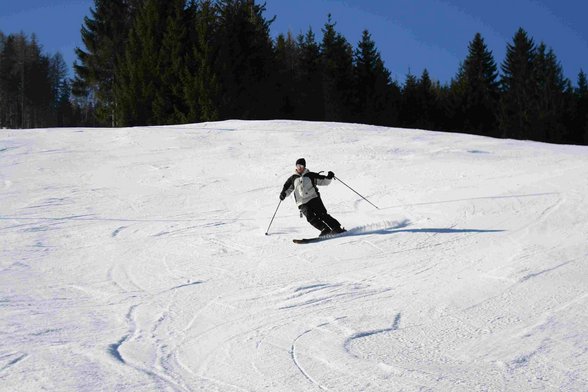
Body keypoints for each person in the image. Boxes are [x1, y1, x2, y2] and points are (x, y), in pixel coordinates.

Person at [280, 158, 346, 236]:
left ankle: (337, 228)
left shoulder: (310, 175)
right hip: (301, 202)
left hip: (313, 198)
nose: (299, 167)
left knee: (322, 214)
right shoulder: (293, 178)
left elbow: (323, 181)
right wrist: (283, 194)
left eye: (301, 165)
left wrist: (329, 177)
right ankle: (325, 229)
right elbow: (287, 188)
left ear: (304, 166)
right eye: (298, 166)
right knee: (310, 217)